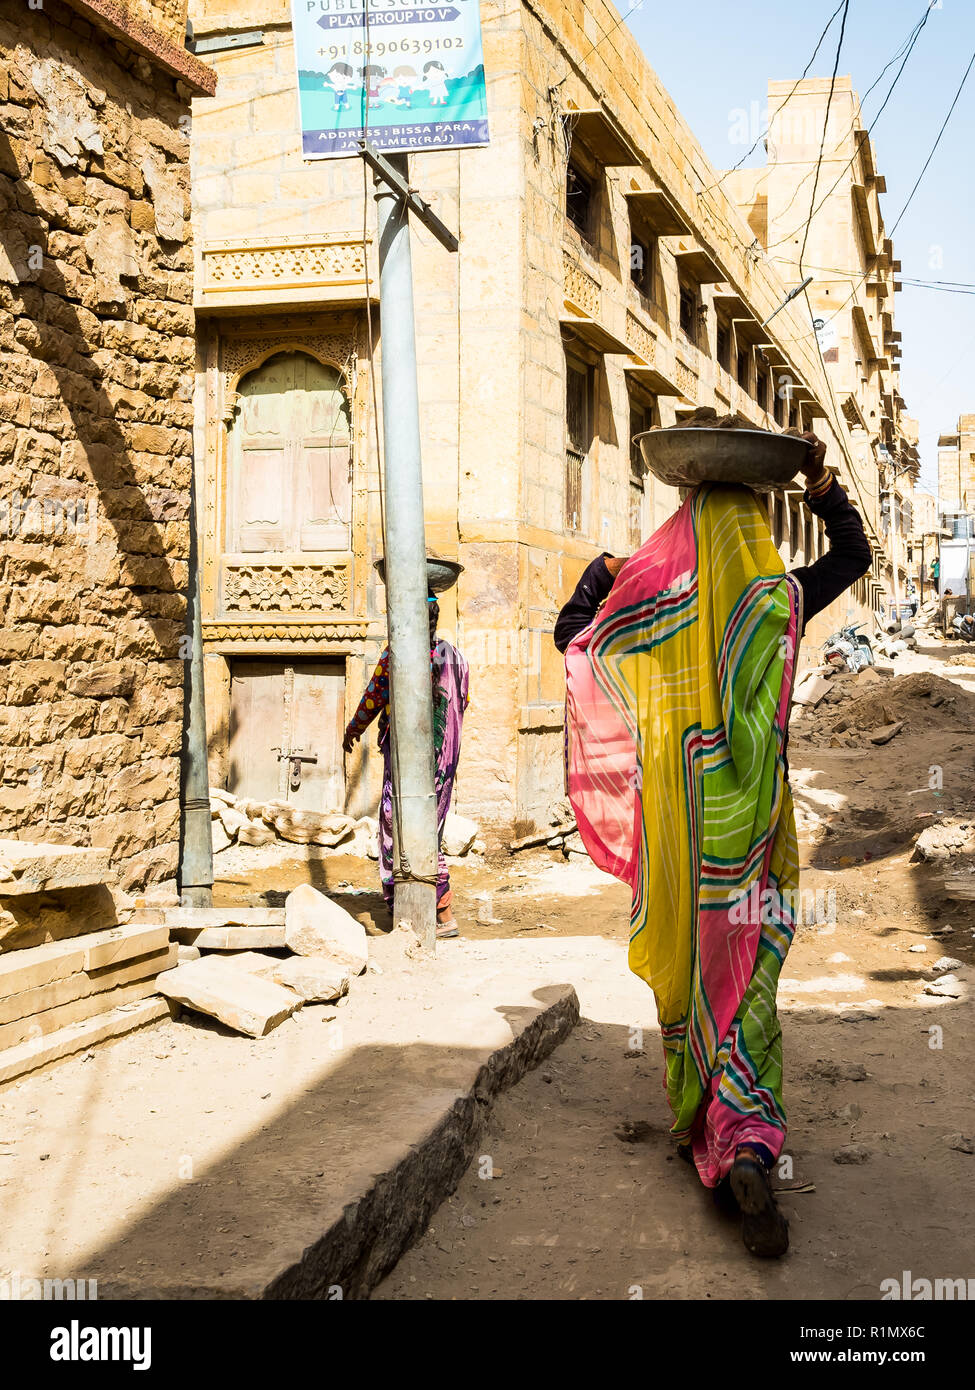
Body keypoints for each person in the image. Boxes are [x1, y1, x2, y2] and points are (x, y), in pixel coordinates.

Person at [555, 431, 871, 1258]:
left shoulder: (658, 613)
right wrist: (820, 484)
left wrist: (605, 568)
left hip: (679, 830)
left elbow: (574, 638)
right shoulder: (776, 600)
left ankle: (703, 1111)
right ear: (754, 535)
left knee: (692, 964)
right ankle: (751, 1139)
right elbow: (854, 553)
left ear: (688, 528)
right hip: (755, 830)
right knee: (748, 976)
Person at [343, 598, 469, 938]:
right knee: (431, 827)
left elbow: (374, 697)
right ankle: (437, 912)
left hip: (409, 758)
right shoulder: (456, 656)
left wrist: (353, 729)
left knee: (396, 823)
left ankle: (421, 912)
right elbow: (462, 702)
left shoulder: (398, 654)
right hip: (445, 757)